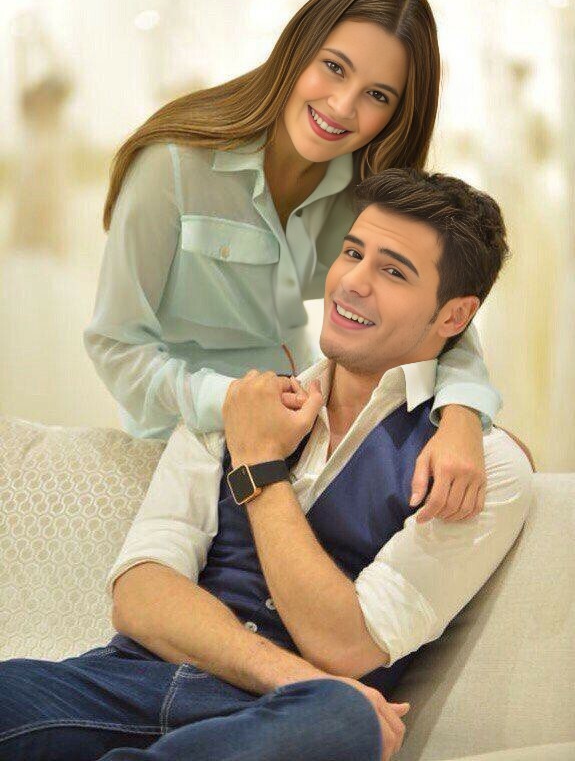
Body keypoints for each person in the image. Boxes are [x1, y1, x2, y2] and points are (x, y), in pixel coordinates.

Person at [0, 169, 534, 761]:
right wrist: (293, 676)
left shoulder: (482, 467)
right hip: (126, 684)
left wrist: (258, 463)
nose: (353, 282)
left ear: (454, 317)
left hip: (281, 725)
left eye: (393, 272)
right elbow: (140, 595)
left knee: (345, 719)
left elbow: (344, 646)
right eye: (352, 253)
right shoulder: (234, 403)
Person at [84, 0, 505, 525]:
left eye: (377, 95)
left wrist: (463, 414)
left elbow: (445, 315)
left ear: (397, 112)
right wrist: (232, 402)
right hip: (181, 448)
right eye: (334, 67)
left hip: (306, 440)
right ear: (297, 49)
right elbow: (116, 344)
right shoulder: (172, 165)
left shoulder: (365, 188)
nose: (343, 106)